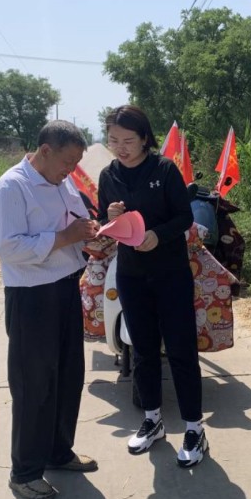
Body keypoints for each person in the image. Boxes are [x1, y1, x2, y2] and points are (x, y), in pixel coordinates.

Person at [0, 120, 100, 499]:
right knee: (34, 384)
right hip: (31, 297)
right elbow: (9, 248)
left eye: (76, 163)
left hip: (66, 288)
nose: (71, 170)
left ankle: (58, 451)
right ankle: (25, 473)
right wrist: (66, 238)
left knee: (68, 376)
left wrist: (93, 238)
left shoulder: (63, 183)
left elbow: (76, 226)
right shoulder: (12, 188)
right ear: (45, 150)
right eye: (67, 161)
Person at [98, 104, 207, 467]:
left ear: (144, 138)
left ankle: (194, 428)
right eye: (114, 140)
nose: (121, 147)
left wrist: (158, 236)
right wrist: (109, 217)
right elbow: (103, 223)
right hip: (131, 274)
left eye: (128, 140)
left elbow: (184, 216)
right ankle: (152, 421)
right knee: (143, 350)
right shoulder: (108, 175)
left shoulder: (163, 169)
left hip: (170, 273)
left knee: (180, 350)